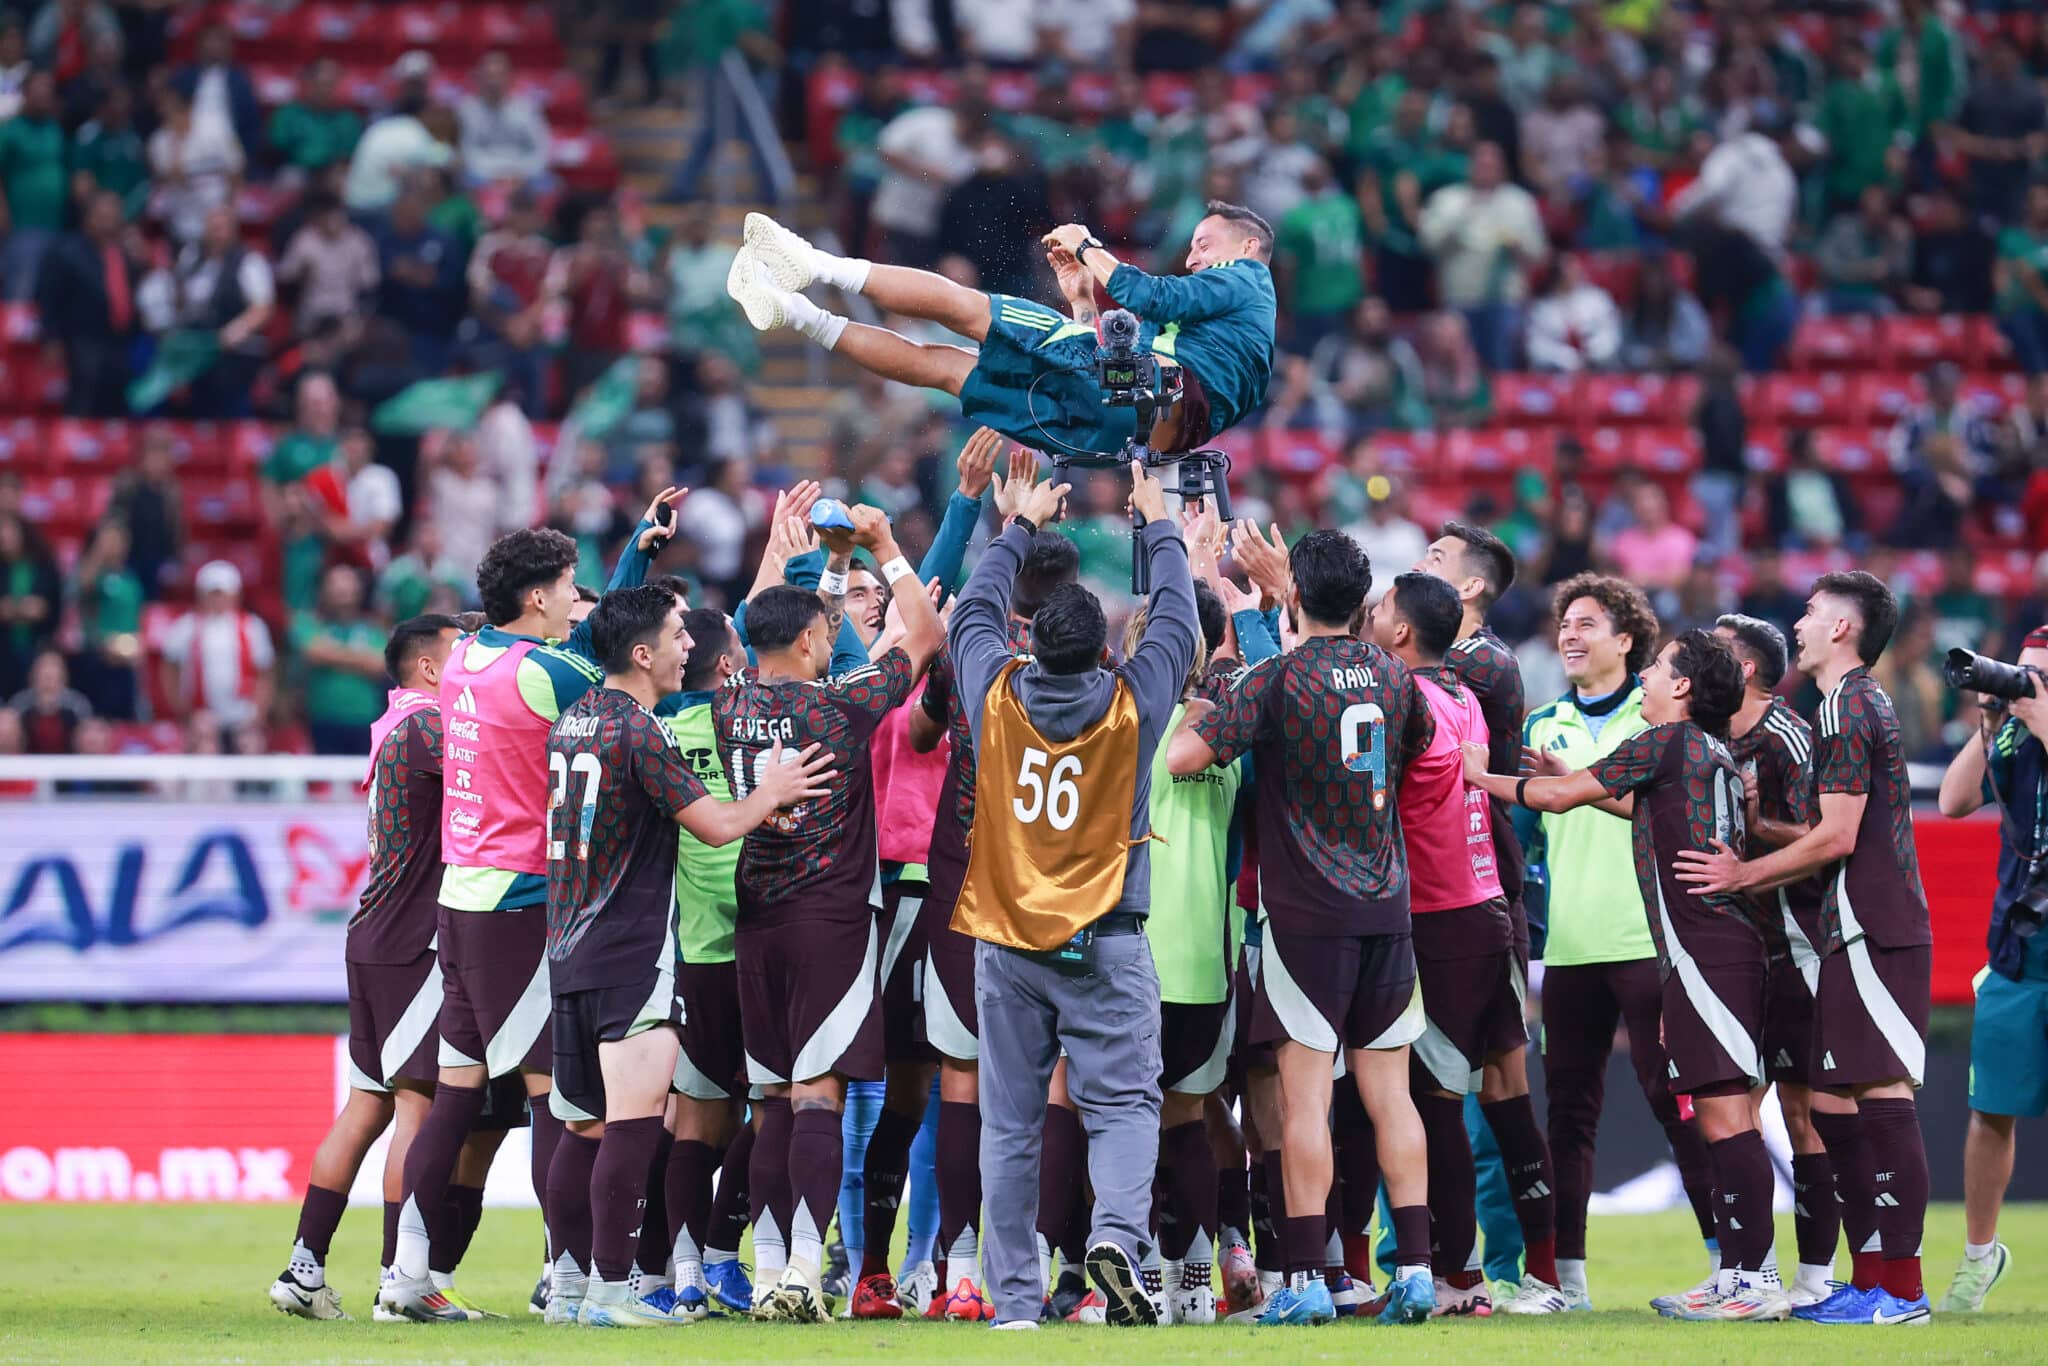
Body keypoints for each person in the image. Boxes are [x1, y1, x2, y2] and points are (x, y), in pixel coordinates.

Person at [380, 495, 676, 1324]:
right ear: (541, 597)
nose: (578, 598)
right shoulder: (552, 674)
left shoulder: (472, 654)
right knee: (557, 1094)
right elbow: (620, 669)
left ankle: (404, 1272)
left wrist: (631, 563)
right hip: (521, 896)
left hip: (460, 893)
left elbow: (586, 640)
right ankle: (568, 1276)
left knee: (456, 1091)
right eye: (571, 585)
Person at [1467, 629, 1783, 1319]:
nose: (1645, 675)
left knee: (1729, 1120)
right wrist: (1559, 774)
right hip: (1712, 951)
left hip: (1707, 953)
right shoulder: (1705, 751)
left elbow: (1557, 801)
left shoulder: (1664, 741)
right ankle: (1737, 1273)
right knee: (1719, 1118)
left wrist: (1478, 775)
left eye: (1658, 666)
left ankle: (1756, 1281)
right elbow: (1630, 804)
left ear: (1684, 688)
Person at [541, 585, 831, 1328]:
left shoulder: (574, 719)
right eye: (675, 635)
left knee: (584, 1127)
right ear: (641, 654)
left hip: (567, 945)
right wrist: (773, 790)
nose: (687, 648)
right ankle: (614, 1292)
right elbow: (719, 825)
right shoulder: (641, 732)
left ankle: (571, 1291)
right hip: (632, 951)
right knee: (635, 1126)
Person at [1170, 524, 1437, 1327]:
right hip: (1387, 908)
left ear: (1293, 592)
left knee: (1305, 1103)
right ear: (1363, 601)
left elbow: (1186, 757)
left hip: (1305, 918)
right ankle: (1417, 1272)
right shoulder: (1396, 677)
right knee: (1393, 1095)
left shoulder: (1275, 680)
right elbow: (1415, 750)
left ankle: (1305, 1282)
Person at [956, 461, 1195, 1329]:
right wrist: (1158, 521)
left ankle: (1015, 1301)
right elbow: (1176, 616)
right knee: (1126, 1105)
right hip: (1109, 934)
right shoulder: (1135, 700)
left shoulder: (992, 691)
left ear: (1029, 642)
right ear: (1106, 649)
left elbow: (973, 611)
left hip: (1008, 940)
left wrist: (1015, 525)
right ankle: (1117, 1242)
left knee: (1010, 1125)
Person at [1676, 571, 1934, 1328]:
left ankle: (1905, 1293)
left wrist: (1743, 869)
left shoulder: (1850, 705)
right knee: (1833, 1103)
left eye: (1814, 612)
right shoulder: (1839, 706)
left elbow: (1838, 835)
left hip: (1875, 922)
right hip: (1847, 927)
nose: (1801, 622)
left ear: (1845, 630)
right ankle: (1868, 1279)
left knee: (1882, 1096)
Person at [712, 503, 944, 1322]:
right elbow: (925, 639)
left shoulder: (729, 702)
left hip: (755, 920)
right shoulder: (840, 706)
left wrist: (814, 563)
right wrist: (882, 549)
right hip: (830, 920)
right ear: (814, 643)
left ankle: (774, 1267)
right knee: (816, 1096)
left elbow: (760, 623)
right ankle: (808, 1273)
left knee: (772, 1098)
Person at [269, 615, 501, 1322]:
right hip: (413, 942)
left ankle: (304, 1271)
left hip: (373, 935)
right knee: (417, 1106)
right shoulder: (432, 727)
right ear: (430, 669)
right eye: (460, 654)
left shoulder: (396, 726)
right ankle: (400, 1279)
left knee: (366, 1104)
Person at [1520, 574, 1716, 1309]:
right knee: (1567, 1117)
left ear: (1626, 639)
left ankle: (1728, 1266)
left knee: (1679, 1103)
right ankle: (1565, 1283)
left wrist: (1581, 784)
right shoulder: (1541, 725)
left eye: (1587, 624)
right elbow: (1523, 839)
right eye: (1563, 623)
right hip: (1569, 949)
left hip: (1648, 943)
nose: (1569, 635)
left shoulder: (1663, 712)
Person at [725, 201, 1277, 461]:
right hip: (1118, 437)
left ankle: (815, 265)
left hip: (1155, 392)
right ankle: (792, 312)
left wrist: (1088, 246)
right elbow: (1108, 373)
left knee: (970, 310)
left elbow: (1148, 295)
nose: (1193, 254)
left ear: (1247, 247)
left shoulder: (1250, 278)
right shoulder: (1226, 334)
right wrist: (1082, 302)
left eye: (1205, 243)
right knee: (946, 370)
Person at [1365, 571, 1524, 1318]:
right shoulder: (1462, 696)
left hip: (1441, 918)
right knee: (1445, 1102)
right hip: (1481, 910)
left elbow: (1371, 797)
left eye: (1382, 608)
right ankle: (1462, 1271)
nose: (1372, 613)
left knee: (1434, 1105)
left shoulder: (1409, 704)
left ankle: (1457, 1276)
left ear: (1401, 634)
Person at [1414, 523, 1562, 1312]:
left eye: (1436, 559)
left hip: (1463, 887)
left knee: (1458, 1089)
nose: (1418, 562)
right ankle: (1533, 1271)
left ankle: (1459, 1271)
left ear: (1468, 589)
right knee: (1496, 1086)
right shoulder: (1476, 662)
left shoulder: (1473, 666)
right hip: (1475, 885)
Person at [1713, 614, 1846, 1309]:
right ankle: (1743, 1272)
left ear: (1746, 670)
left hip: (1795, 944)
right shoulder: (1705, 734)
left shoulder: (1790, 738)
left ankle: (1814, 1279)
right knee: (1723, 1108)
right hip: (1733, 949)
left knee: (1800, 1114)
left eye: (1715, 650)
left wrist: (1763, 835)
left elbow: (1832, 838)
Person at [1932, 625, 2048, 1313]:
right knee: (1992, 1109)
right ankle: (1978, 1259)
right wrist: (1993, 720)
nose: (2025, 682)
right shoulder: (2011, 736)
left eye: (2038, 674)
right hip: (2018, 952)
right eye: (2020, 671)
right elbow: (1951, 802)